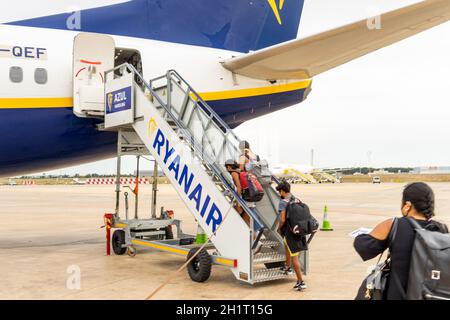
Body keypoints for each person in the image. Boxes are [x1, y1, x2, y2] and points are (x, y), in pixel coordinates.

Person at [354, 182, 448, 300]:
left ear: (407, 205)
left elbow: (364, 247)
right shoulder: (442, 229)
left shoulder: (396, 224)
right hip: (428, 295)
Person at [225, 159, 263, 253]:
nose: (226, 169)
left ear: (229, 166)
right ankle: (255, 239)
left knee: (245, 221)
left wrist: (238, 201)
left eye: (226, 167)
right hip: (250, 199)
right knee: (247, 220)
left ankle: (256, 242)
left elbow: (239, 187)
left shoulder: (234, 173)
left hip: (244, 200)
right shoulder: (242, 171)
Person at [276, 180, 307, 291]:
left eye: (280, 192)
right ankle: (288, 267)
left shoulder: (283, 202)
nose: (279, 194)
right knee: (286, 246)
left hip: (290, 233)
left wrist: (279, 228)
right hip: (298, 231)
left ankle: (301, 281)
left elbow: (283, 219)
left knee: (295, 258)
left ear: (283, 191)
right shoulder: (296, 200)